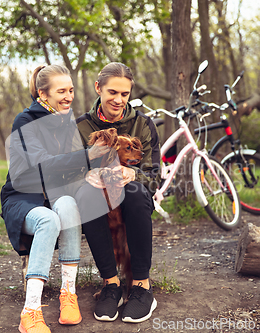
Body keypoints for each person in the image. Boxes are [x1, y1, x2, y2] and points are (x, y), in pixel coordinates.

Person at [0, 64, 109, 333]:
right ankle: (31, 311)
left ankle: (68, 294)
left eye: (71, 90)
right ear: (42, 94)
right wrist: (87, 155)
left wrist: (93, 173)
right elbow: (43, 164)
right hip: (23, 199)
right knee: (48, 220)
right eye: (61, 91)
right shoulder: (24, 121)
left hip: (55, 196)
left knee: (69, 206)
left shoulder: (67, 122)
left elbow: (73, 168)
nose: (68, 96)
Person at [75, 62, 161, 323]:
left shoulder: (143, 125)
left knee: (133, 191)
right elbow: (66, 171)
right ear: (98, 88)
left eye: (125, 94)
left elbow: (154, 174)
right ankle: (111, 285)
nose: (119, 100)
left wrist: (134, 174)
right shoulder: (81, 127)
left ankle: (141, 287)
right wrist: (87, 175)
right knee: (88, 195)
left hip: (134, 196)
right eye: (113, 92)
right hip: (96, 197)